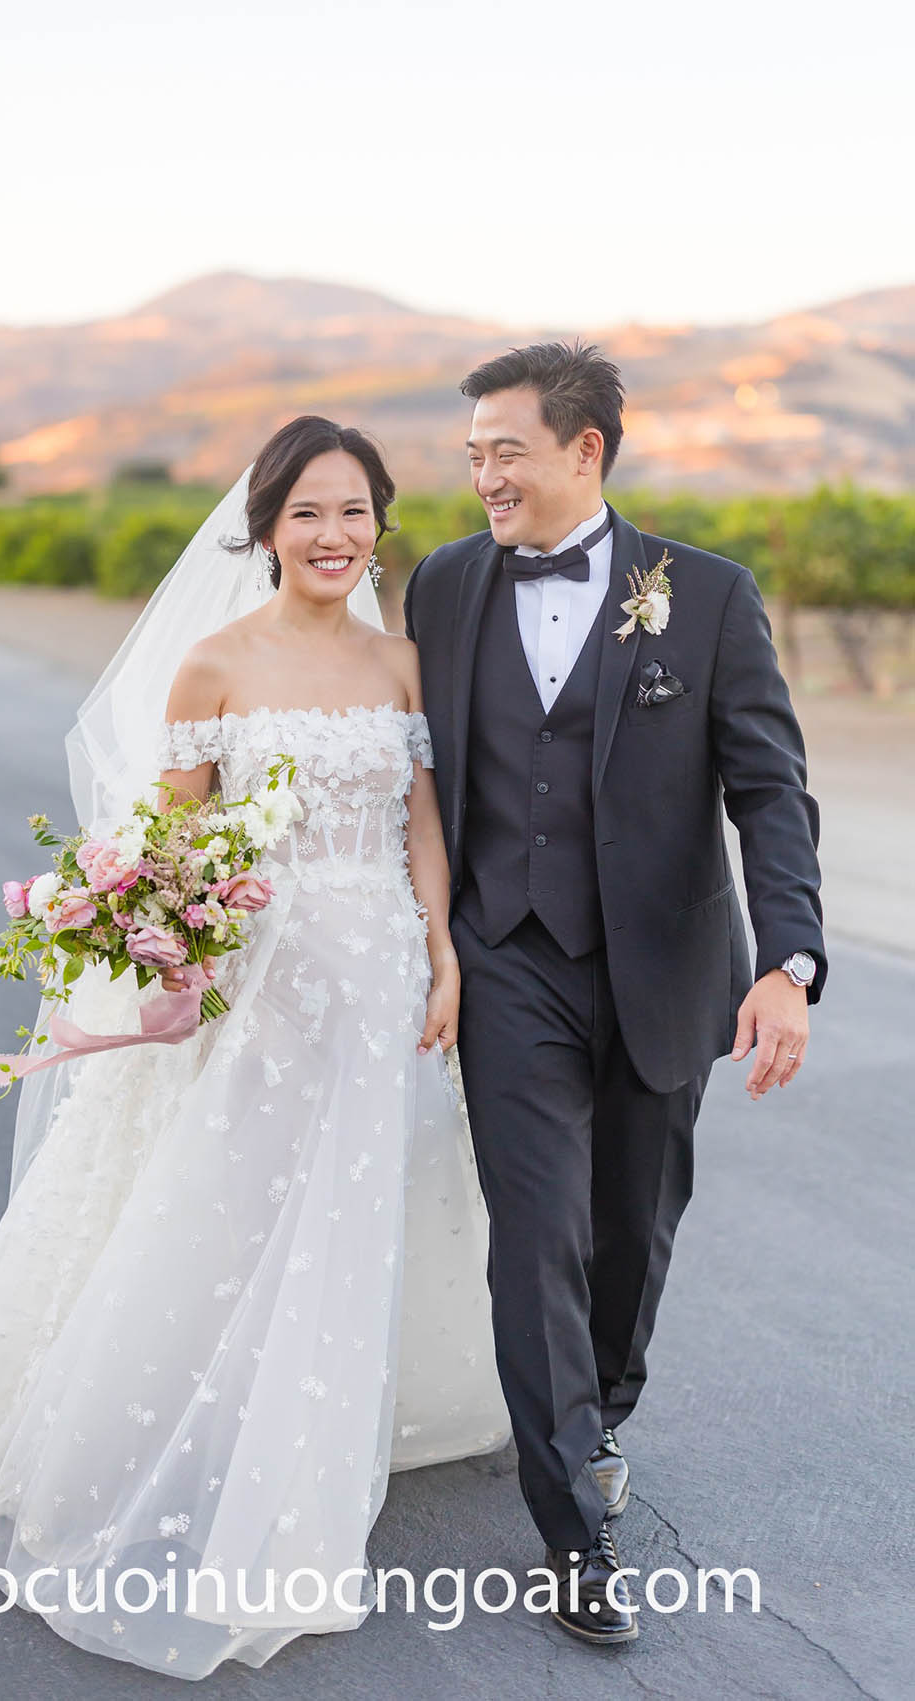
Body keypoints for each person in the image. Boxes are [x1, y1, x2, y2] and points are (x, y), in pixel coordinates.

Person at [0, 416, 512, 1679]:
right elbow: (173, 846)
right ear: (266, 528)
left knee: (353, 1202)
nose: (333, 535)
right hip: (263, 984)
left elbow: (423, 823)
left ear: (380, 525)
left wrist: (440, 951)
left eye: (354, 511)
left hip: (379, 971)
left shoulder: (403, 664)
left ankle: (316, 1428)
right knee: (235, 1197)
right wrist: (167, 940)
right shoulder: (213, 666)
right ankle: (195, 1428)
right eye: (307, 512)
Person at [405, 342, 826, 1645]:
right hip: (506, 958)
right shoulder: (441, 586)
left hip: (663, 964)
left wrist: (789, 962)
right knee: (535, 1231)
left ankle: (599, 1410)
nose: (484, 475)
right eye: (472, 454)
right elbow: (410, 774)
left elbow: (769, 790)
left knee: (630, 1234)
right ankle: (573, 1524)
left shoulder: (705, 595)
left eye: (507, 451)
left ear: (584, 450)